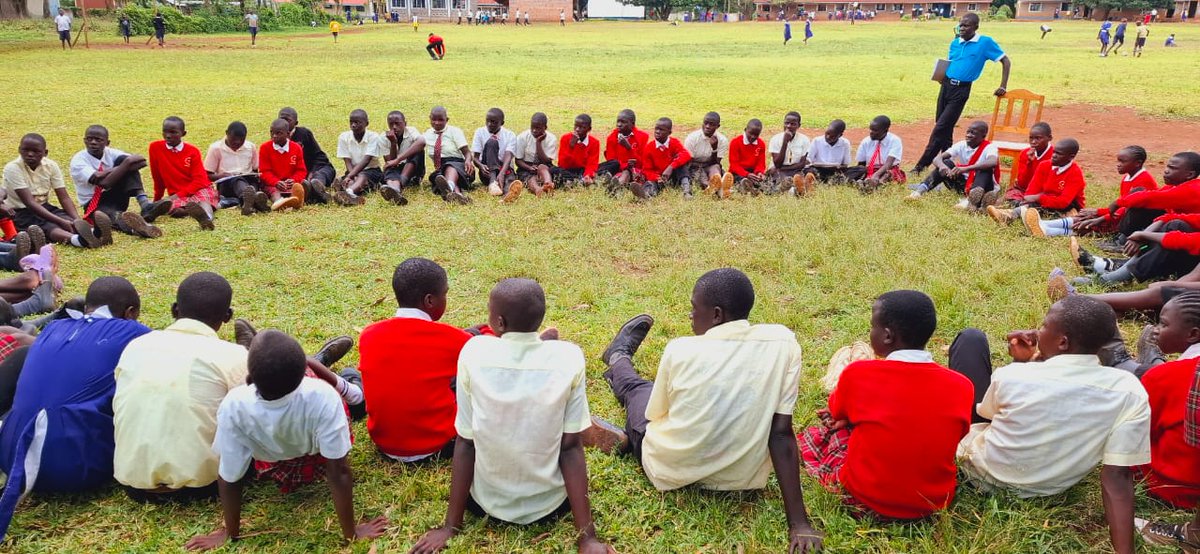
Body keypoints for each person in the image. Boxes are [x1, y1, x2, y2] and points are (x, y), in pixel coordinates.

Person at [598, 269, 823, 551]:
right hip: (741, 479)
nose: (690, 315)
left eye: (694, 308)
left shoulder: (680, 349)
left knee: (638, 391)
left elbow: (655, 415)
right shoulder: (784, 344)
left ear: (716, 315)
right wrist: (799, 524)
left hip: (669, 469)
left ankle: (618, 358)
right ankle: (621, 398)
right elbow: (780, 434)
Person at [409, 278, 611, 554]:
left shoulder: (473, 351)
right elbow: (571, 447)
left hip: (484, 505)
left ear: (499, 323)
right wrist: (587, 538)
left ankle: (535, 346)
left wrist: (450, 526)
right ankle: (541, 346)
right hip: (550, 507)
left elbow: (465, 442)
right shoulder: (570, 357)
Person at [955, 295, 1148, 554]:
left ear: (1063, 341)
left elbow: (987, 413)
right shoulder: (1129, 390)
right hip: (1052, 486)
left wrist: (1021, 364)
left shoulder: (1012, 375)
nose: (1036, 330)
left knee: (971, 339)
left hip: (982, 475)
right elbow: (1118, 476)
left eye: (1044, 325)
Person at [183, 330, 387, 550]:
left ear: (249, 379)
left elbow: (230, 476)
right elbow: (338, 471)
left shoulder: (234, 403)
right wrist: (352, 534)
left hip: (270, 463)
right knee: (350, 377)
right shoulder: (322, 394)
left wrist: (230, 533)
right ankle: (322, 364)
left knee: (273, 369)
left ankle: (256, 348)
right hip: (317, 460)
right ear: (304, 374)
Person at [798, 290, 973, 520]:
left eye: (873, 327)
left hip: (865, 497)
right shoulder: (962, 386)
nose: (870, 332)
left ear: (887, 336)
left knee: (829, 434)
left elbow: (836, 410)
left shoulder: (859, 374)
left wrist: (849, 417)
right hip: (933, 503)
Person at [0, 276, 149, 540]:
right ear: (131, 312)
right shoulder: (134, 334)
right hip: (75, 468)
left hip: (9, 459)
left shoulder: (51, 331)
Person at [113, 272, 248, 503]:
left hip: (133, 485)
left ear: (175, 310)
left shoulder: (136, 347)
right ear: (227, 316)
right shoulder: (232, 355)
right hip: (206, 486)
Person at [359, 258, 470, 462]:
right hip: (438, 445)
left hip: (384, 444)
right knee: (462, 382)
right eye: (445, 293)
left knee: (353, 373)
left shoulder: (369, 335)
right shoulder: (454, 339)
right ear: (430, 301)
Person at [1124, 292, 1200, 510]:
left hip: (1171, 485)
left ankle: (1126, 360)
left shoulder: (1166, 378)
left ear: (1193, 334)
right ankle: (1150, 359)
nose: (1156, 329)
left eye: (1163, 324)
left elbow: (1140, 432)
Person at [913, 13, 1011, 174]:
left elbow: (1005, 61)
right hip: (945, 86)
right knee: (945, 127)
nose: (962, 28)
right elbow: (952, 62)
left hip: (961, 90)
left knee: (940, 128)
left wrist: (1003, 86)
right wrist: (941, 75)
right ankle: (948, 163)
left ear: (976, 27)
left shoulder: (984, 43)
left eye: (966, 25)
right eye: (961, 25)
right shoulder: (955, 43)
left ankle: (920, 166)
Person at [68, 125, 169, 239]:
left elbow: (141, 161)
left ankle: (145, 204)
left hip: (116, 196)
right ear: (84, 141)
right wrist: (125, 165)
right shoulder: (78, 161)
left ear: (107, 142)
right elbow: (104, 183)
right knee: (109, 216)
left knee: (124, 160)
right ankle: (139, 228)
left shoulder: (110, 153)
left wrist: (122, 165)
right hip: (94, 203)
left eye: (98, 140)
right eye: (89, 139)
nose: (93, 142)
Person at [4, 133, 104, 248]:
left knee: (66, 218)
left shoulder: (51, 166)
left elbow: (64, 197)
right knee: (48, 226)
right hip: (20, 212)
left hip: (44, 206)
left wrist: (77, 220)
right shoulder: (13, 168)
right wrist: (61, 222)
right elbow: (30, 203)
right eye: (25, 150)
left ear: (45, 153)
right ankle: (78, 240)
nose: (30, 154)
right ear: (19, 150)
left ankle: (94, 234)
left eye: (36, 151)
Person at [1044, 146, 1156, 240]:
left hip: (1132, 222)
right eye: (1118, 160)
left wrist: (1100, 215)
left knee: (1090, 225)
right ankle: (1045, 224)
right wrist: (1100, 213)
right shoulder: (1127, 177)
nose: (1118, 164)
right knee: (1085, 217)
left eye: (1122, 161)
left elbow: (1126, 210)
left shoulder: (1144, 181)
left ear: (1138, 163)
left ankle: (1049, 231)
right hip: (1122, 216)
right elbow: (1121, 206)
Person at [986, 138, 1086, 236]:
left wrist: (1038, 198)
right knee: (1027, 203)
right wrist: (1035, 198)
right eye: (1054, 152)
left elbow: (1063, 202)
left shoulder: (1075, 173)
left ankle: (1013, 216)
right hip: (1044, 201)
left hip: (1068, 207)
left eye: (1058, 154)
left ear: (1071, 157)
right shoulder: (1044, 165)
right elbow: (1030, 193)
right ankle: (1010, 215)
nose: (1053, 156)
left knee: (1039, 208)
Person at [906, 120, 997, 211]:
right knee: (946, 162)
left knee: (985, 169)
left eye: (973, 133)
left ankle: (968, 202)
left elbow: (993, 162)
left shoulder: (989, 147)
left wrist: (966, 168)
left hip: (981, 184)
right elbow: (937, 159)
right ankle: (918, 192)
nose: (968, 135)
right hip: (962, 185)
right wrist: (942, 166)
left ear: (983, 136)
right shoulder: (961, 145)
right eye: (968, 132)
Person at [148, 116, 218, 230]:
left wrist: (175, 196)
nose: (168, 135)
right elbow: (157, 177)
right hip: (178, 193)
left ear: (183, 133)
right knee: (175, 210)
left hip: (198, 189)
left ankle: (207, 219)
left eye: (173, 132)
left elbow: (200, 181)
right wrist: (157, 200)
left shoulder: (192, 151)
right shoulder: (155, 148)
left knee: (204, 200)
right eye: (165, 131)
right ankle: (190, 211)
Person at [204, 121, 263, 215]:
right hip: (227, 183)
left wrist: (256, 176)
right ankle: (253, 200)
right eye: (234, 139)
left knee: (253, 181)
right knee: (237, 179)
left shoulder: (250, 147)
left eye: (241, 140)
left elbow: (255, 170)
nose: (238, 142)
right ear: (227, 133)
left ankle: (249, 202)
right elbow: (207, 175)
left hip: (247, 179)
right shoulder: (216, 148)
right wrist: (221, 175)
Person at [278, 107, 333, 204]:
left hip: (313, 169)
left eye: (288, 120)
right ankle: (311, 194)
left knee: (321, 174)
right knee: (297, 184)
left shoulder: (304, 134)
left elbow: (319, 156)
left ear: (296, 123)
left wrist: (313, 171)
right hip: (296, 176)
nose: (284, 123)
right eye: (281, 119)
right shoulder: (276, 137)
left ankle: (316, 188)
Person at [632, 117, 691, 200]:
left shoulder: (674, 143)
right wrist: (657, 178)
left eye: (661, 130)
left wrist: (671, 167)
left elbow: (686, 154)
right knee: (651, 183)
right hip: (659, 179)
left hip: (673, 177)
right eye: (656, 129)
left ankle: (686, 191)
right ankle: (647, 195)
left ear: (669, 132)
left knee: (681, 165)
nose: (657, 132)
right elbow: (647, 169)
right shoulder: (649, 147)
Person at [425, 106, 475, 204]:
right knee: (440, 176)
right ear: (430, 118)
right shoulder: (427, 134)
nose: (437, 123)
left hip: (460, 166)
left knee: (450, 167)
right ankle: (457, 194)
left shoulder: (455, 131)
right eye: (433, 119)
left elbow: (467, 152)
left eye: (441, 120)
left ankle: (448, 187)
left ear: (447, 120)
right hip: (440, 170)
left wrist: (468, 161)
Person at [256, 119, 307, 212]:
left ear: (288, 134)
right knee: (274, 192)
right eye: (272, 132)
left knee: (297, 187)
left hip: (289, 184)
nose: (274, 136)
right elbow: (264, 171)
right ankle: (279, 203)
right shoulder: (265, 148)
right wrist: (276, 182)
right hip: (272, 184)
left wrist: (293, 180)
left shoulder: (296, 148)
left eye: (279, 133)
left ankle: (294, 201)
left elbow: (301, 170)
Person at [333, 109, 382, 206]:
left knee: (362, 177)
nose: (353, 125)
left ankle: (348, 192)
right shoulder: (344, 137)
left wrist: (351, 176)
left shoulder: (374, 137)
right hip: (352, 170)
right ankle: (352, 197)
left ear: (366, 123)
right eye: (351, 122)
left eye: (357, 122)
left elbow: (366, 160)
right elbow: (347, 161)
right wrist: (351, 175)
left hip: (371, 171)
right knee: (353, 181)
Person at [377, 110, 425, 206]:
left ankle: (401, 183)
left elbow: (422, 142)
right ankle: (396, 191)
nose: (394, 127)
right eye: (391, 124)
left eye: (397, 124)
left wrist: (398, 159)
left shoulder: (411, 131)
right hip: (395, 169)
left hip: (412, 169)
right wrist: (393, 143)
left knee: (417, 151)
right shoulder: (383, 137)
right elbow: (390, 161)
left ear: (405, 123)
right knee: (390, 168)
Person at [597, 109, 649, 194]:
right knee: (624, 171)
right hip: (618, 170)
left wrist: (629, 148)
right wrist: (625, 165)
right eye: (618, 121)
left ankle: (616, 187)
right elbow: (612, 162)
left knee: (629, 172)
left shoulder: (643, 137)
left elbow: (644, 162)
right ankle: (618, 186)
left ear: (632, 123)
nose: (619, 125)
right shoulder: (612, 138)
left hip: (637, 170)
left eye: (623, 122)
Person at [509, 112, 558, 200]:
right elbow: (518, 160)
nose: (534, 130)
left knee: (542, 167)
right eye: (532, 127)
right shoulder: (522, 137)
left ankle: (548, 184)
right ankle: (538, 190)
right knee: (529, 178)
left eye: (538, 128)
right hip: (526, 166)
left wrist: (538, 143)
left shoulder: (551, 138)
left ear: (545, 128)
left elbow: (547, 161)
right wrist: (529, 168)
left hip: (544, 165)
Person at [1003, 122, 1053, 206]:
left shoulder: (1055, 155)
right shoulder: (1025, 153)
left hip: (1044, 192)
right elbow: (1022, 183)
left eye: (1038, 138)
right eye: (1031, 138)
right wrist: (1029, 163)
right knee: (1012, 196)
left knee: (1045, 200)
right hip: (1025, 190)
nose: (1033, 142)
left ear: (1049, 138)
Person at [471, 108, 518, 198]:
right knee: (492, 142)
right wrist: (481, 166)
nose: (490, 124)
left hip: (504, 168)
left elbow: (509, 155)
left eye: (494, 122)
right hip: (487, 171)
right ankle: (492, 182)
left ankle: (507, 195)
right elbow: (475, 158)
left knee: (509, 181)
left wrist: (502, 172)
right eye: (487, 121)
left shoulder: (510, 135)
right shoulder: (480, 132)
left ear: (502, 123)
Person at [846, 115, 904, 187]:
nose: (871, 132)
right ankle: (867, 183)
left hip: (886, 169)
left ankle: (875, 183)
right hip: (870, 169)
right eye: (870, 129)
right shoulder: (866, 141)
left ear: (885, 130)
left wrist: (875, 175)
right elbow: (861, 164)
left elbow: (888, 164)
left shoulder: (895, 140)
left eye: (875, 130)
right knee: (858, 170)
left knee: (888, 174)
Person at [682, 112, 729, 199]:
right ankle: (716, 188)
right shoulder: (692, 138)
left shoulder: (722, 140)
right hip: (693, 165)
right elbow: (688, 162)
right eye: (705, 123)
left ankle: (716, 182)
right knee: (700, 176)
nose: (707, 126)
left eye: (711, 124)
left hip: (709, 165)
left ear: (717, 126)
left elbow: (716, 162)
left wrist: (714, 149)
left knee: (715, 167)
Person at [767, 111, 813, 196]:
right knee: (784, 179)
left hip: (794, 170)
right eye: (786, 123)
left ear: (799, 126)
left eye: (793, 124)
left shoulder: (804, 140)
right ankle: (799, 189)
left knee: (800, 175)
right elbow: (777, 164)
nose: (789, 126)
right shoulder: (775, 139)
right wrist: (785, 142)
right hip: (778, 171)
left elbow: (802, 164)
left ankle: (802, 187)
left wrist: (784, 168)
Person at [556, 114, 600, 187]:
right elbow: (562, 164)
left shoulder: (594, 142)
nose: (577, 129)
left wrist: (588, 175)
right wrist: (571, 147)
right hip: (567, 170)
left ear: (589, 129)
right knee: (553, 170)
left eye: (582, 127)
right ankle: (580, 181)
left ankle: (576, 181)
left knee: (613, 163)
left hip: (583, 171)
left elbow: (592, 164)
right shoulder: (565, 138)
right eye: (576, 126)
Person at [727, 119, 767, 196]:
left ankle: (751, 188)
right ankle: (748, 187)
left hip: (753, 173)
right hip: (738, 173)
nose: (753, 137)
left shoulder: (761, 144)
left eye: (756, 135)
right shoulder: (735, 142)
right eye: (750, 133)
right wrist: (746, 174)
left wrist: (759, 173)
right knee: (741, 180)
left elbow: (761, 163)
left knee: (764, 180)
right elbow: (734, 165)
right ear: (745, 130)